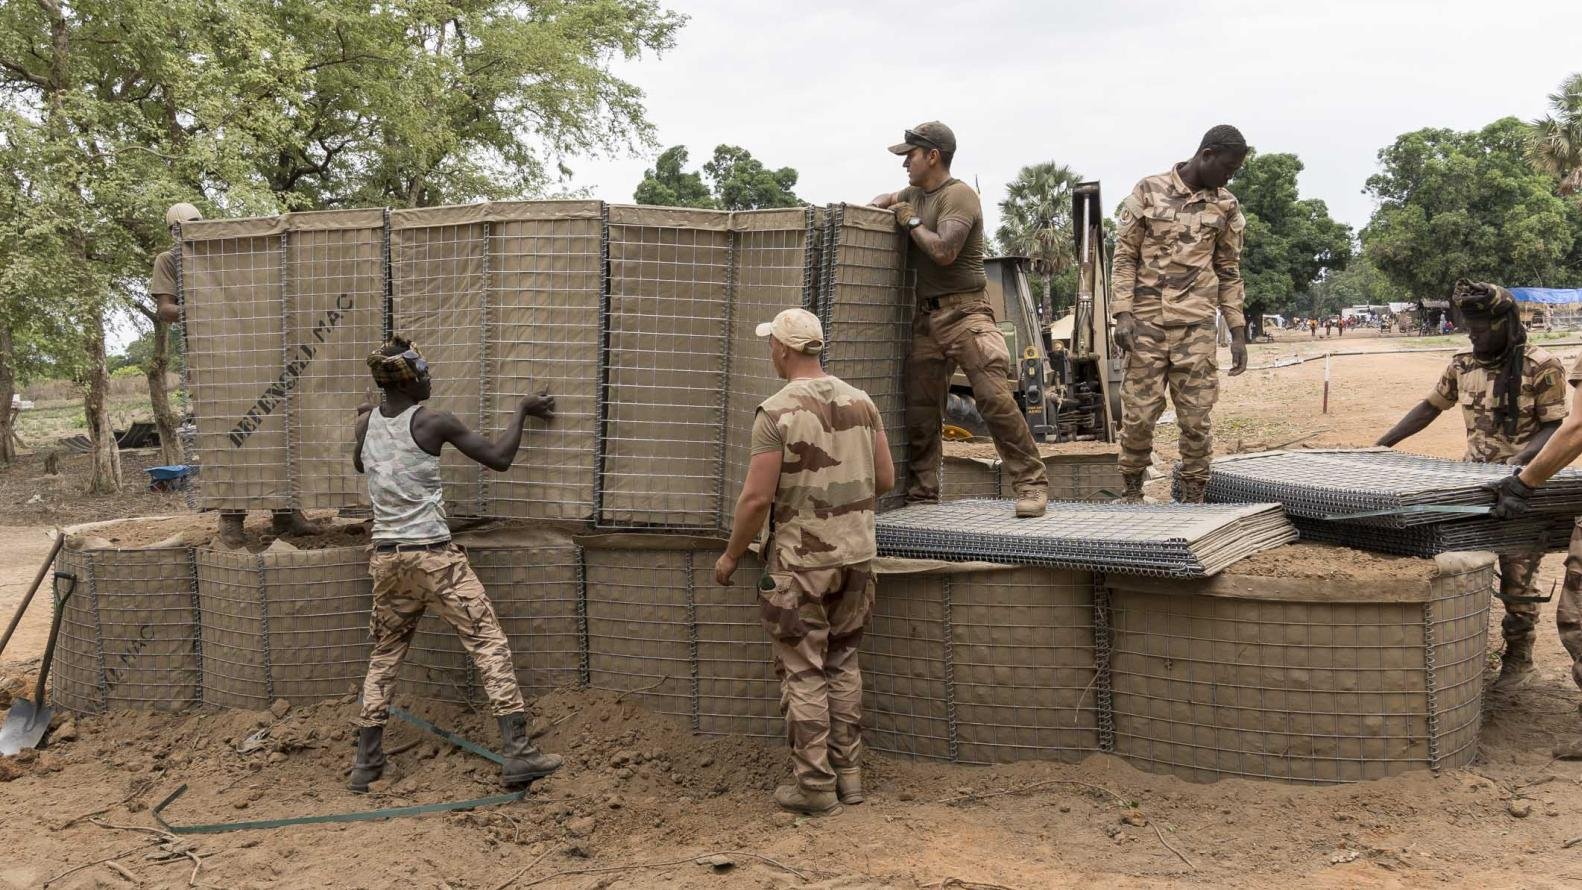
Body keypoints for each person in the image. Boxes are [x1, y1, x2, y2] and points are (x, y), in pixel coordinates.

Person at [348, 337, 562, 792]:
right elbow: (499, 459)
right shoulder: (433, 422)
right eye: (423, 373)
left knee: (384, 656)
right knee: (488, 644)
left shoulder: (365, 423)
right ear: (410, 381)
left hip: (386, 560)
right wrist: (523, 409)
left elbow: (361, 464)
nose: (430, 379)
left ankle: (366, 764)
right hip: (434, 559)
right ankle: (519, 753)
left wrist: (367, 419)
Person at [715, 308, 894, 816]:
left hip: (800, 564)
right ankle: (850, 778)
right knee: (843, 662)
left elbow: (755, 500)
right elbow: (885, 479)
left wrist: (731, 557)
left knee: (804, 671)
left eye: (771, 343)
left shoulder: (776, 412)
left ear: (784, 350)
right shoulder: (862, 402)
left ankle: (815, 787)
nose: (770, 350)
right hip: (857, 557)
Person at [1379, 281, 1566, 693]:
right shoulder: (1463, 365)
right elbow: (1430, 407)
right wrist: (1381, 445)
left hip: (1521, 491)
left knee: (1518, 581)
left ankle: (1519, 660)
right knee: (1461, 572)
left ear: (1505, 323)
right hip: (1470, 488)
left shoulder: (1541, 366)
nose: (1473, 334)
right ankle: (1461, 654)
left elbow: (1555, 427)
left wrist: (1518, 466)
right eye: (1470, 326)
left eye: (1481, 327)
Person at [868, 121, 1048, 518]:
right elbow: (889, 198)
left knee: (994, 400)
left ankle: (1032, 485)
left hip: (967, 313)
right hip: (927, 320)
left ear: (933, 156)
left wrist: (909, 219)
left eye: (910, 156)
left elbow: (945, 251)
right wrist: (879, 207)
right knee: (920, 411)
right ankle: (922, 495)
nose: (905, 165)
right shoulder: (914, 194)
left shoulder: (959, 196)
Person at [152, 201, 319, 546]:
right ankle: (231, 515)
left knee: (278, 425)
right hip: (213, 359)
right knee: (227, 434)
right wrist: (201, 309)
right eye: (184, 226)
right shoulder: (168, 260)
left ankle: (285, 512)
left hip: (261, 351)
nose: (191, 230)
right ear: (173, 231)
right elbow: (166, 309)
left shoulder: (224, 253)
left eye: (197, 223)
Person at [1110, 125, 1250, 504]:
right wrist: (1122, 313)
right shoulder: (1147, 191)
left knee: (1196, 419)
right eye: (1227, 167)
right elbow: (1124, 258)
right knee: (1138, 416)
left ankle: (1192, 498)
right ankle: (1132, 491)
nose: (1229, 176)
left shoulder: (1226, 206)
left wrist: (1237, 330)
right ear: (1207, 154)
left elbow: (1229, 271)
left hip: (1196, 329)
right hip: (1146, 328)